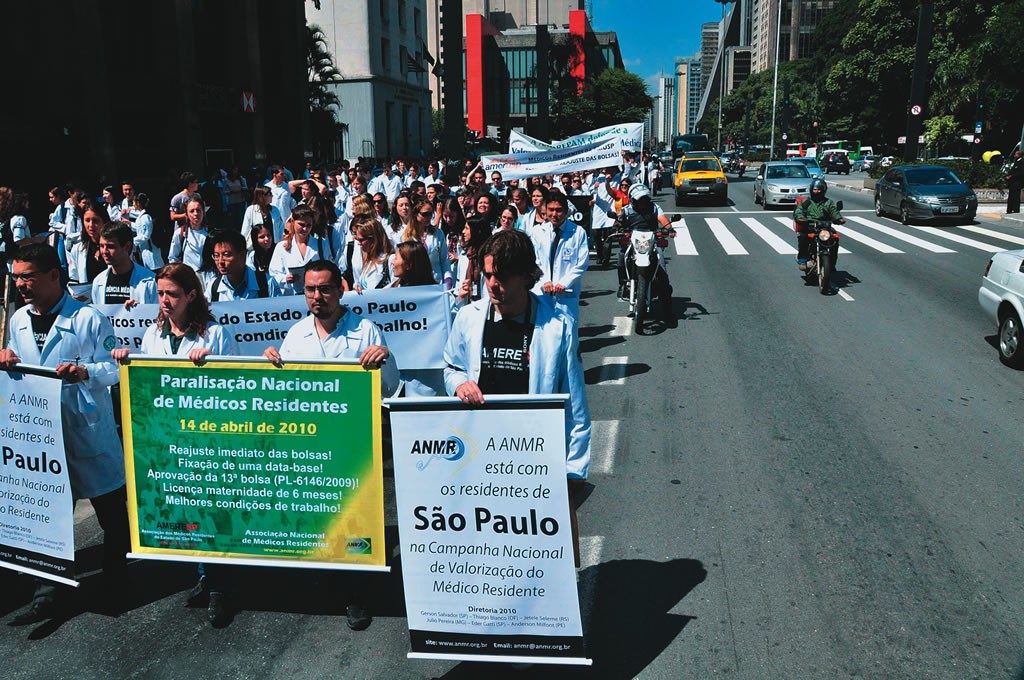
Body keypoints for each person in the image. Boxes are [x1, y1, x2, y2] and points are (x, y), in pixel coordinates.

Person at [443, 230, 591, 565]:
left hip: (534, 460)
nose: (493, 284)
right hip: (479, 457)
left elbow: (575, 407)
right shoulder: (468, 318)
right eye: (488, 274)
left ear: (526, 276)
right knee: (488, 549)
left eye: (502, 276)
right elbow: (450, 366)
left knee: (541, 558)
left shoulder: (557, 327)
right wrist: (459, 385)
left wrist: (573, 470)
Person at [1, 243, 129, 625]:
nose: (21, 284)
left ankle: (116, 577)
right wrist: (6, 355)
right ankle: (47, 593)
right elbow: (17, 359)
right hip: (40, 435)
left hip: (86, 429)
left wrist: (85, 372)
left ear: (54, 276)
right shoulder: (19, 319)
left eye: (29, 276)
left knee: (110, 512)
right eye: (17, 276)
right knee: (49, 518)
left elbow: (116, 368)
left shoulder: (88, 318)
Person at [111, 263, 236, 626]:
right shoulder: (154, 334)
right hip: (169, 439)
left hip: (205, 439)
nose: (165, 301)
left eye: (173, 294)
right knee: (186, 508)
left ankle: (221, 584)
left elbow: (233, 388)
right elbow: (148, 380)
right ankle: (204, 573)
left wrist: (209, 366)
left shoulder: (213, 334)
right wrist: (126, 358)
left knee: (211, 507)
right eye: (162, 293)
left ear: (192, 295)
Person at [526, 192, 590, 322]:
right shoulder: (537, 232)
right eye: (551, 210)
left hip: (566, 292)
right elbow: (534, 260)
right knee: (544, 331)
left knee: (568, 332)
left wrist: (565, 283)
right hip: (543, 291)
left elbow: (581, 263)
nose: (554, 214)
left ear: (566, 211)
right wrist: (545, 280)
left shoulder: (578, 232)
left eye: (559, 210)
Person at [613, 184, 675, 303]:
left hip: (651, 240)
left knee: (660, 260)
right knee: (621, 257)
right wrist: (617, 227)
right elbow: (619, 221)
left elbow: (662, 219)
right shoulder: (626, 209)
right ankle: (623, 284)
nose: (642, 202)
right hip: (632, 239)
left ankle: (665, 293)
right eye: (639, 199)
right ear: (632, 199)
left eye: (644, 198)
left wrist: (669, 229)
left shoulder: (654, 207)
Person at [203, 229, 280, 301]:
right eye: (216, 256)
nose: (220, 261)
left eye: (226, 255)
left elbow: (279, 312)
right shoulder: (214, 287)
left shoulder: (266, 283)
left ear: (242, 255)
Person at [92, 224, 157, 306]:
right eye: (101, 246)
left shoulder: (150, 281)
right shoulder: (98, 281)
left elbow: (160, 315)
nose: (104, 251)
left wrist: (142, 312)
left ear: (127, 247)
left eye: (110, 246)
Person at [269, 205, 325, 295]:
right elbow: (274, 274)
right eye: (301, 225)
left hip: (316, 295)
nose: (305, 229)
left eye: (309, 225)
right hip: (291, 299)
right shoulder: (281, 247)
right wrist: (286, 279)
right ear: (292, 222)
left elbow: (330, 269)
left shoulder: (321, 244)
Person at [793, 178, 845, 271]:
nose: (816, 192)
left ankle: (832, 264)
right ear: (811, 190)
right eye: (815, 190)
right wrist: (800, 218)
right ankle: (803, 260)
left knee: (834, 239)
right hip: (809, 226)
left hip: (824, 227)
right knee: (803, 237)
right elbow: (799, 210)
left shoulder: (828, 202)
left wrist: (839, 219)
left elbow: (834, 211)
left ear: (823, 190)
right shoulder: (807, 202)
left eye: (819, 190)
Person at [402, 196, 448, 285]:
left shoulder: (438, 234)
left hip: (436, 282)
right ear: (415, 214)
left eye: (430, 214)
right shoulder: (405, 236)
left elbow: (445, 260)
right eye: (425, 214)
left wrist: (448, 280)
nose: (429, 217)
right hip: (415, 284)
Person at [69, 203, 111, 288]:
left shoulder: (115, 248)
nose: (91, 225)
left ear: (104, 221)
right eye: (87, 220)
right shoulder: (77, 249)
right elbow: (74, 279)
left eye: (95, 221)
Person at [455, 216, 492, 306]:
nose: (463, 232)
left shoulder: (489, 258)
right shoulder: (465, 256)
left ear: (476, 232)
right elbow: (458, 287)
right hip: (467, 306)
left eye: (467, 228)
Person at [350, 217, 394, 292]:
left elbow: (397, 289)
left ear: (374, 239)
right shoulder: (369, 261)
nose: (359, 243)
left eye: (361, 240)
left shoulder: (390, 260)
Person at [167, 197, 209, 272]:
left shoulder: (210, 233)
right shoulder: (180, 233)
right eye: (192, 211)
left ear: (203, 212)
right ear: (186, 214)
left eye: (198, 210)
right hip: (189, 278)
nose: (196, 214)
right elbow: (172, 258)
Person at [1006, 148, 1024, 214]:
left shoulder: (1022, 162)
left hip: (1017, 182)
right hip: (1012, 182)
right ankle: (1010, 209)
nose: (1014, 155)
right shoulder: (1016, 161)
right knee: (1011, 196)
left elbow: (1021, 172)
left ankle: (1015, 209)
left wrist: (1012, 176)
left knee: (1016, 196)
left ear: (1019, 155)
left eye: (1016, 154)